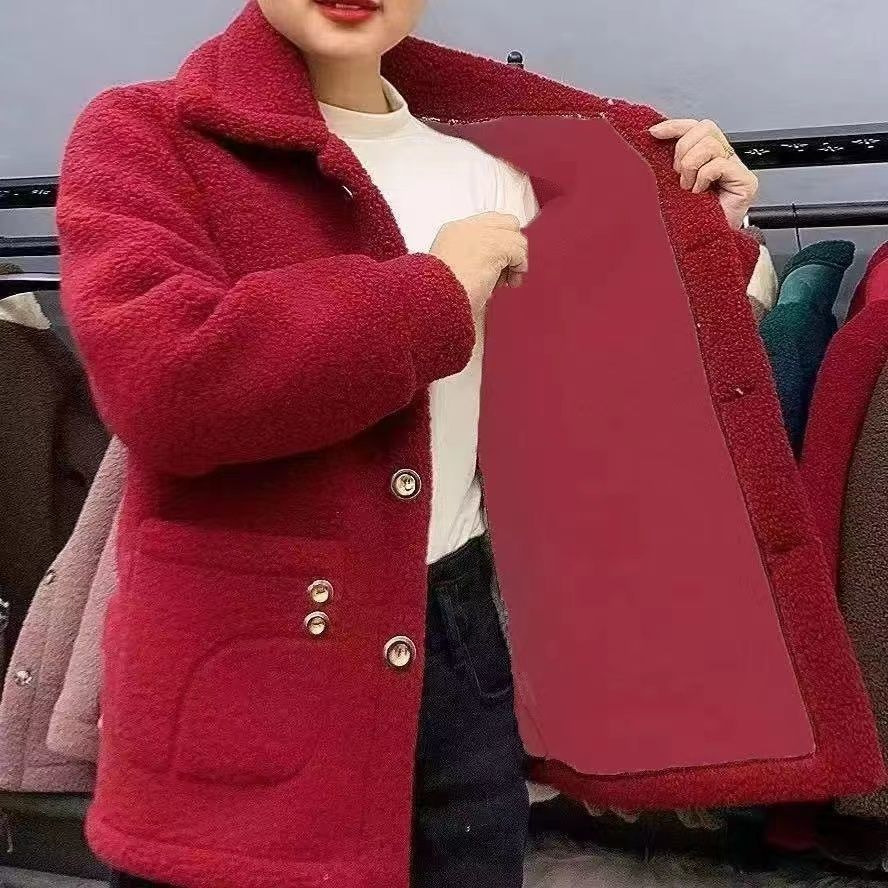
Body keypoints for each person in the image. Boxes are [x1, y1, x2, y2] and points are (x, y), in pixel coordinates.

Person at [57, 2, 761, 887]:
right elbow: (165, 386)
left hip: (458, 642)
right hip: (244, 663)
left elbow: (609, 407)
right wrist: (436, 292)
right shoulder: (148, 133)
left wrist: (707, 233)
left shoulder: (501, 166)